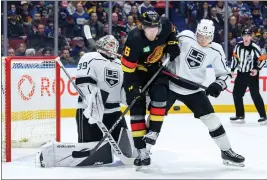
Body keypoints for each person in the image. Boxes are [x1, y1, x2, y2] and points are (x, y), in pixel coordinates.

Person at [37, 28, 135, 168]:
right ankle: (50, 154)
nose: (112, 47)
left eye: (114, 45)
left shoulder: (120, 64)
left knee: (128, 150)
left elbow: (122, 92)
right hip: (89, 111)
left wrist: (133, 99)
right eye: (109, 44)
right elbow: (84, 83)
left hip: (114, 112)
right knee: (94, 156)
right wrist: (94, 104)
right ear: (101, 44)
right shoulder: (90, 57)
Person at [165, 19, 245, 167]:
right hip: (170, 84)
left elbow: (225, 74)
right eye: (200, 35)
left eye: (207, 37)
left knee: (212, 119)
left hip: (193, 90)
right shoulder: (186, 36)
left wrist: (217, 85)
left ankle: (226, 151)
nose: (203, 40)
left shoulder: (216, 50)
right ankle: (142, 149)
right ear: (196, 32)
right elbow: (167, 40)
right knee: (156, 116)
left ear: (212, 36)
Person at [121, 10, 180, 167]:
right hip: (136, 72)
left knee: (161, 97)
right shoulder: (133, 40)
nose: (154, 32)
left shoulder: (166, 25)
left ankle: (154, 131)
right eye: (150, 29)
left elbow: (173, 32)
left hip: (156, 68)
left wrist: (173, 43)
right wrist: (132, 88)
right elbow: (127, 70)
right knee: (137, 108)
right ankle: (141, 151)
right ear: (141, 26)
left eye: (156, 28)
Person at [230, 29, 267, 124]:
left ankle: (263, 116)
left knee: (255, 95)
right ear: (242, 37)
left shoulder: (255, 47)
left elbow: (263, 59)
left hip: (251, 74)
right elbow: (235, 58)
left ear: (251, 37)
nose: (246, 38)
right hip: (241, 73)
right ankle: (240, 115)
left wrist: (256, 69)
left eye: (248, 36)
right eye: (244, 36)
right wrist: (232, 70)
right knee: (236, 94)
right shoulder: (238, 46)